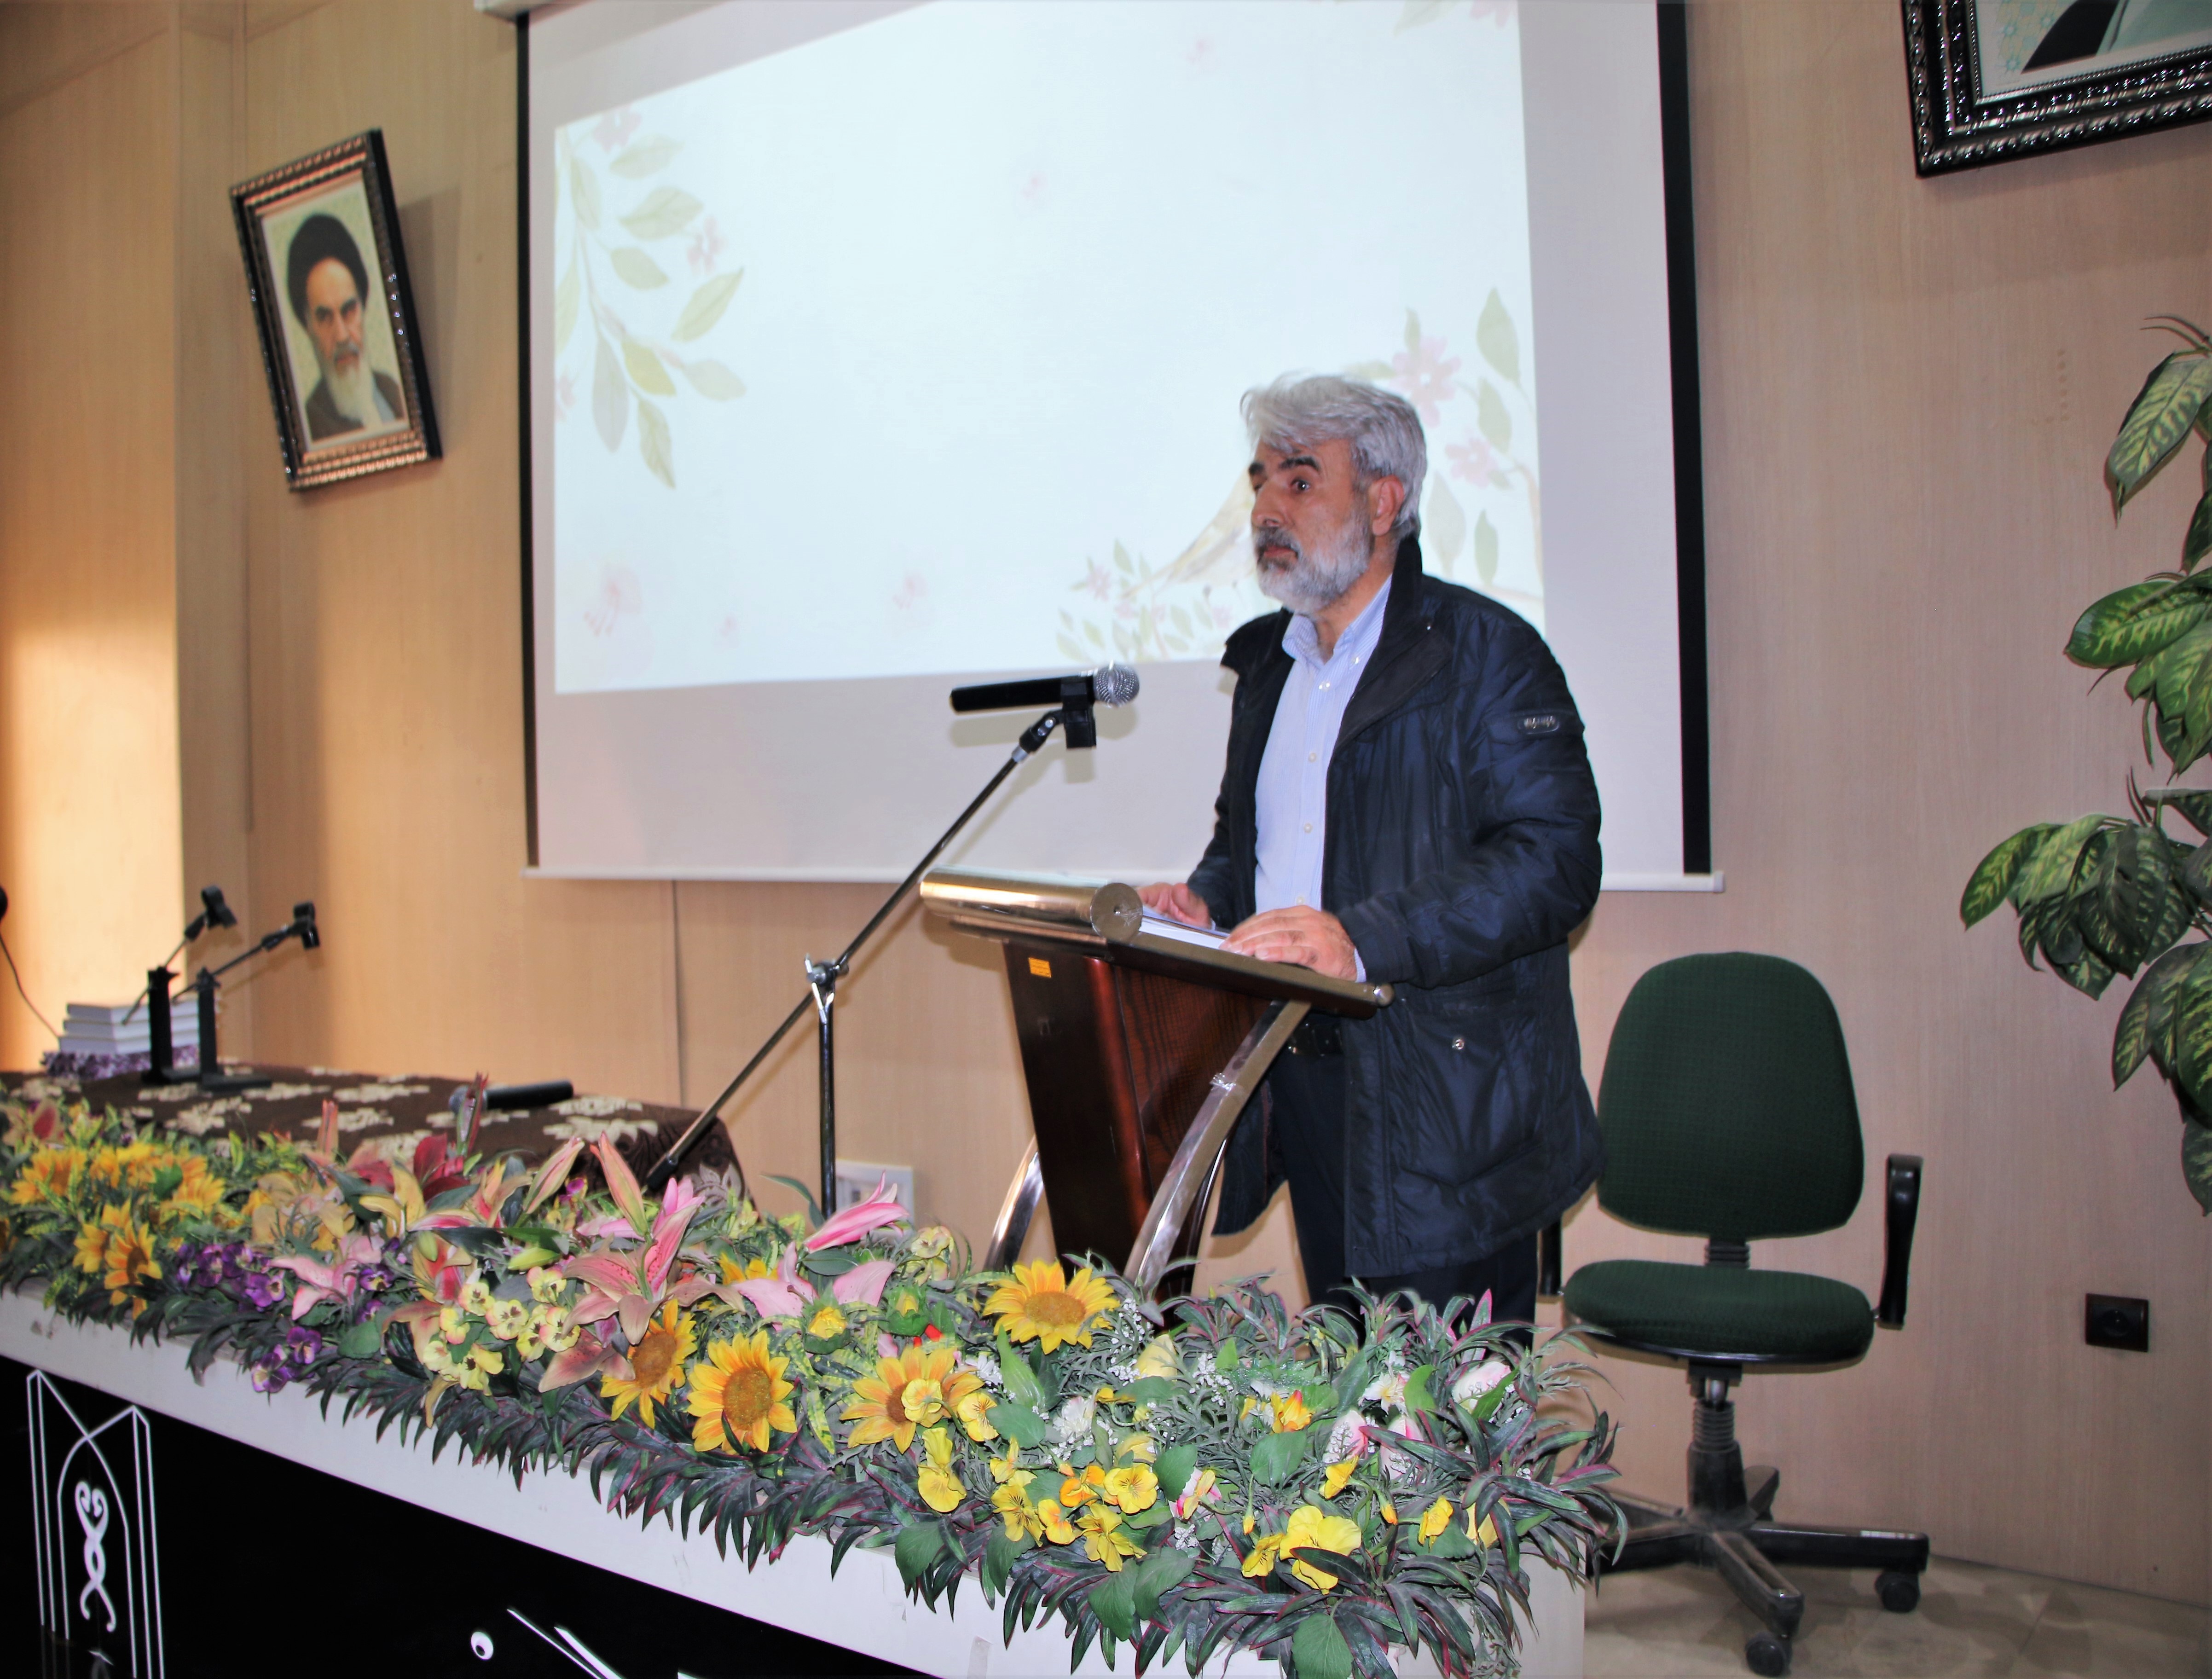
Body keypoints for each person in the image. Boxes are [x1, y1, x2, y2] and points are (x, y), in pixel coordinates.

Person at [1141, 374, 1604, 1327]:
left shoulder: (1486, 653)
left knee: (1455, 1407)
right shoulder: (1267, 666)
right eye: (1261, 481)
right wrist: (1206, 900)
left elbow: (1554, 859)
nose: (1266, 509)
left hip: (1448, 1102)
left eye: (1300, 480)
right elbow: (1250, 842)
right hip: (1304, 1079)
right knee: (1348, 1388)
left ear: (1384, 501)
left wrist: (1363, 938)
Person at [286, 212, 404, 441]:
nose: (341, 336)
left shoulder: (392, 390)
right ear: (308, 327)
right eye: (325, 318)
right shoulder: (311, 427)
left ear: (362, 307)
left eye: (349, 311)